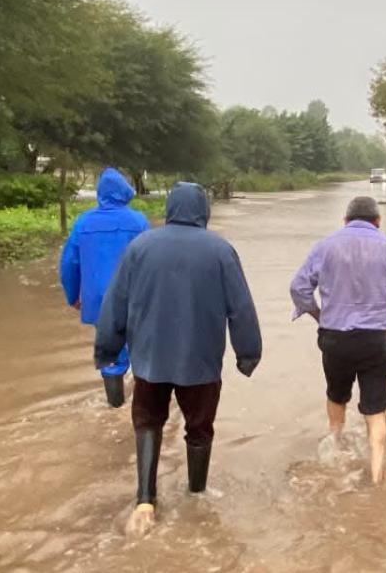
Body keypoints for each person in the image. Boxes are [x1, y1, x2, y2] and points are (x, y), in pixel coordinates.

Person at [95, 182, 262, 536]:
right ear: (204, 211)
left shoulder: (139, 248)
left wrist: (106, 348)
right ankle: (197, 495)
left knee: (148, 422)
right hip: (200, 364)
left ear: (170, 209)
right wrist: (248, 354)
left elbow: (116, 303)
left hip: (150, 361)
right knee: (199, 429)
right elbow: (241, 309)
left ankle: (145, 499)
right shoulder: (220, 251)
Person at [290, 196, 386, 485]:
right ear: (377, 222)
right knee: (375, 408)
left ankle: (335, 452)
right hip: (377, 340)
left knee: (336, 396)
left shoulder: (325, 247)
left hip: (335, 339)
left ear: (345, 220)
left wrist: (320, 316)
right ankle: (377, 473)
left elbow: (299, 288)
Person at [59, 168, 149, 408]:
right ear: (124, 192)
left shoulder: (83, 223)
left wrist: (73, 296)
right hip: (133, 297)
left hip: (99, 301)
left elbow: (69, 263)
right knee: (141, 348)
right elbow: (149, 261)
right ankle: (143, 411)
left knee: (110, 352)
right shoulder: (138, 221)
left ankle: (115, 406)